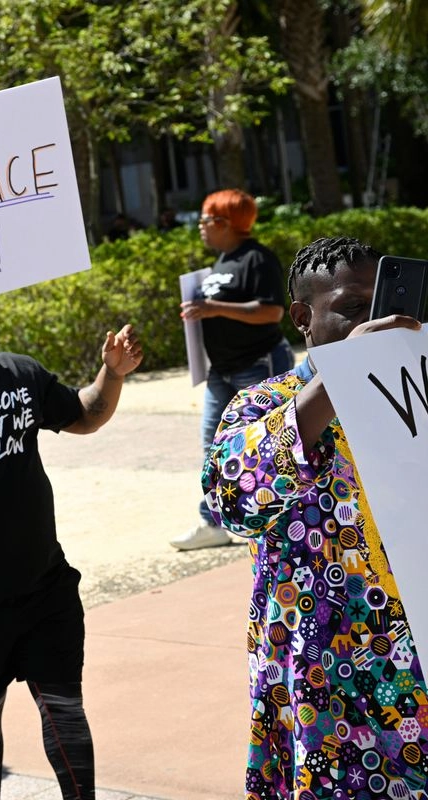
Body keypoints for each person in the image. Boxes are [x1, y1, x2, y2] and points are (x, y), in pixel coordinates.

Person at [202, 236, 428, 796]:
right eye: (354, 309)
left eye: (385, 306)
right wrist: (345, 373)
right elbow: (230, 500)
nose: (373, 321)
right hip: (327, 681)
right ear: (302, 316)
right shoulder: (264, 403)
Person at [0, 293, 142, 800]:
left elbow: (85, 415)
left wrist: (113, 373)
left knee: (65, 709)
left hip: (44, 586)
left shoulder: (20, 371)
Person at [171, 188, 293, 551]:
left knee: (271, 442)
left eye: (205, 220)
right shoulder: (222, 261)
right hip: (220, 371)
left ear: (225, 222)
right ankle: (212, 522)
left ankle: (283, 519)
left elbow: (272, 312)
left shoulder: (258, 259)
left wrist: (212, 309)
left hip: (257, 364)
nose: (200, 227)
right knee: (212, 447)